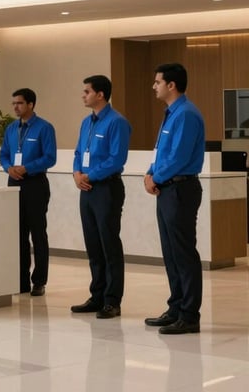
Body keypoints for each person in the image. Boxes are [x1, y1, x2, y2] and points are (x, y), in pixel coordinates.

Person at [144, 63, 205, 334]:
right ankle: (176, 307)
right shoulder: (171, 113)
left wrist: (156, 177)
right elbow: (161, 153)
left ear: (171, 85)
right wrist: (150, 173)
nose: (154, 86)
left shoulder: (186, 115)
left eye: (157, 82)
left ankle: (189, 315)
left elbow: (179, 157)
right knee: (170, 253)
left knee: (183, 253)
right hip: (167, 188)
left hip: (180, 189)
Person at [70, 75, 131, 319]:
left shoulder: (117, 122)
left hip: (106, 188)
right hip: (87, 189)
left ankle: (112, 300)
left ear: (101, 94)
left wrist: (90, 176)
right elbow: (78, 152)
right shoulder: (87, 122)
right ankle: (96, 295)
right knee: (93, 245)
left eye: (87, 91)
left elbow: (116, 159)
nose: (83, 95)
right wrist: (76, 173)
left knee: (109, 244)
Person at [0, 88, 56, 296]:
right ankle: (21, 280)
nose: (15, 107)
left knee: (37, 233)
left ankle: (39, 281)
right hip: (14, 183)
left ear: (31, 104)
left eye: (20, 103)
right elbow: (3, 154)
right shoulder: (11, 129)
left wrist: (28, 168)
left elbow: (50, 158)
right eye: (13, 103)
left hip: (35, 184)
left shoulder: (44, 128)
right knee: (18, 234)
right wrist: (8, 167)